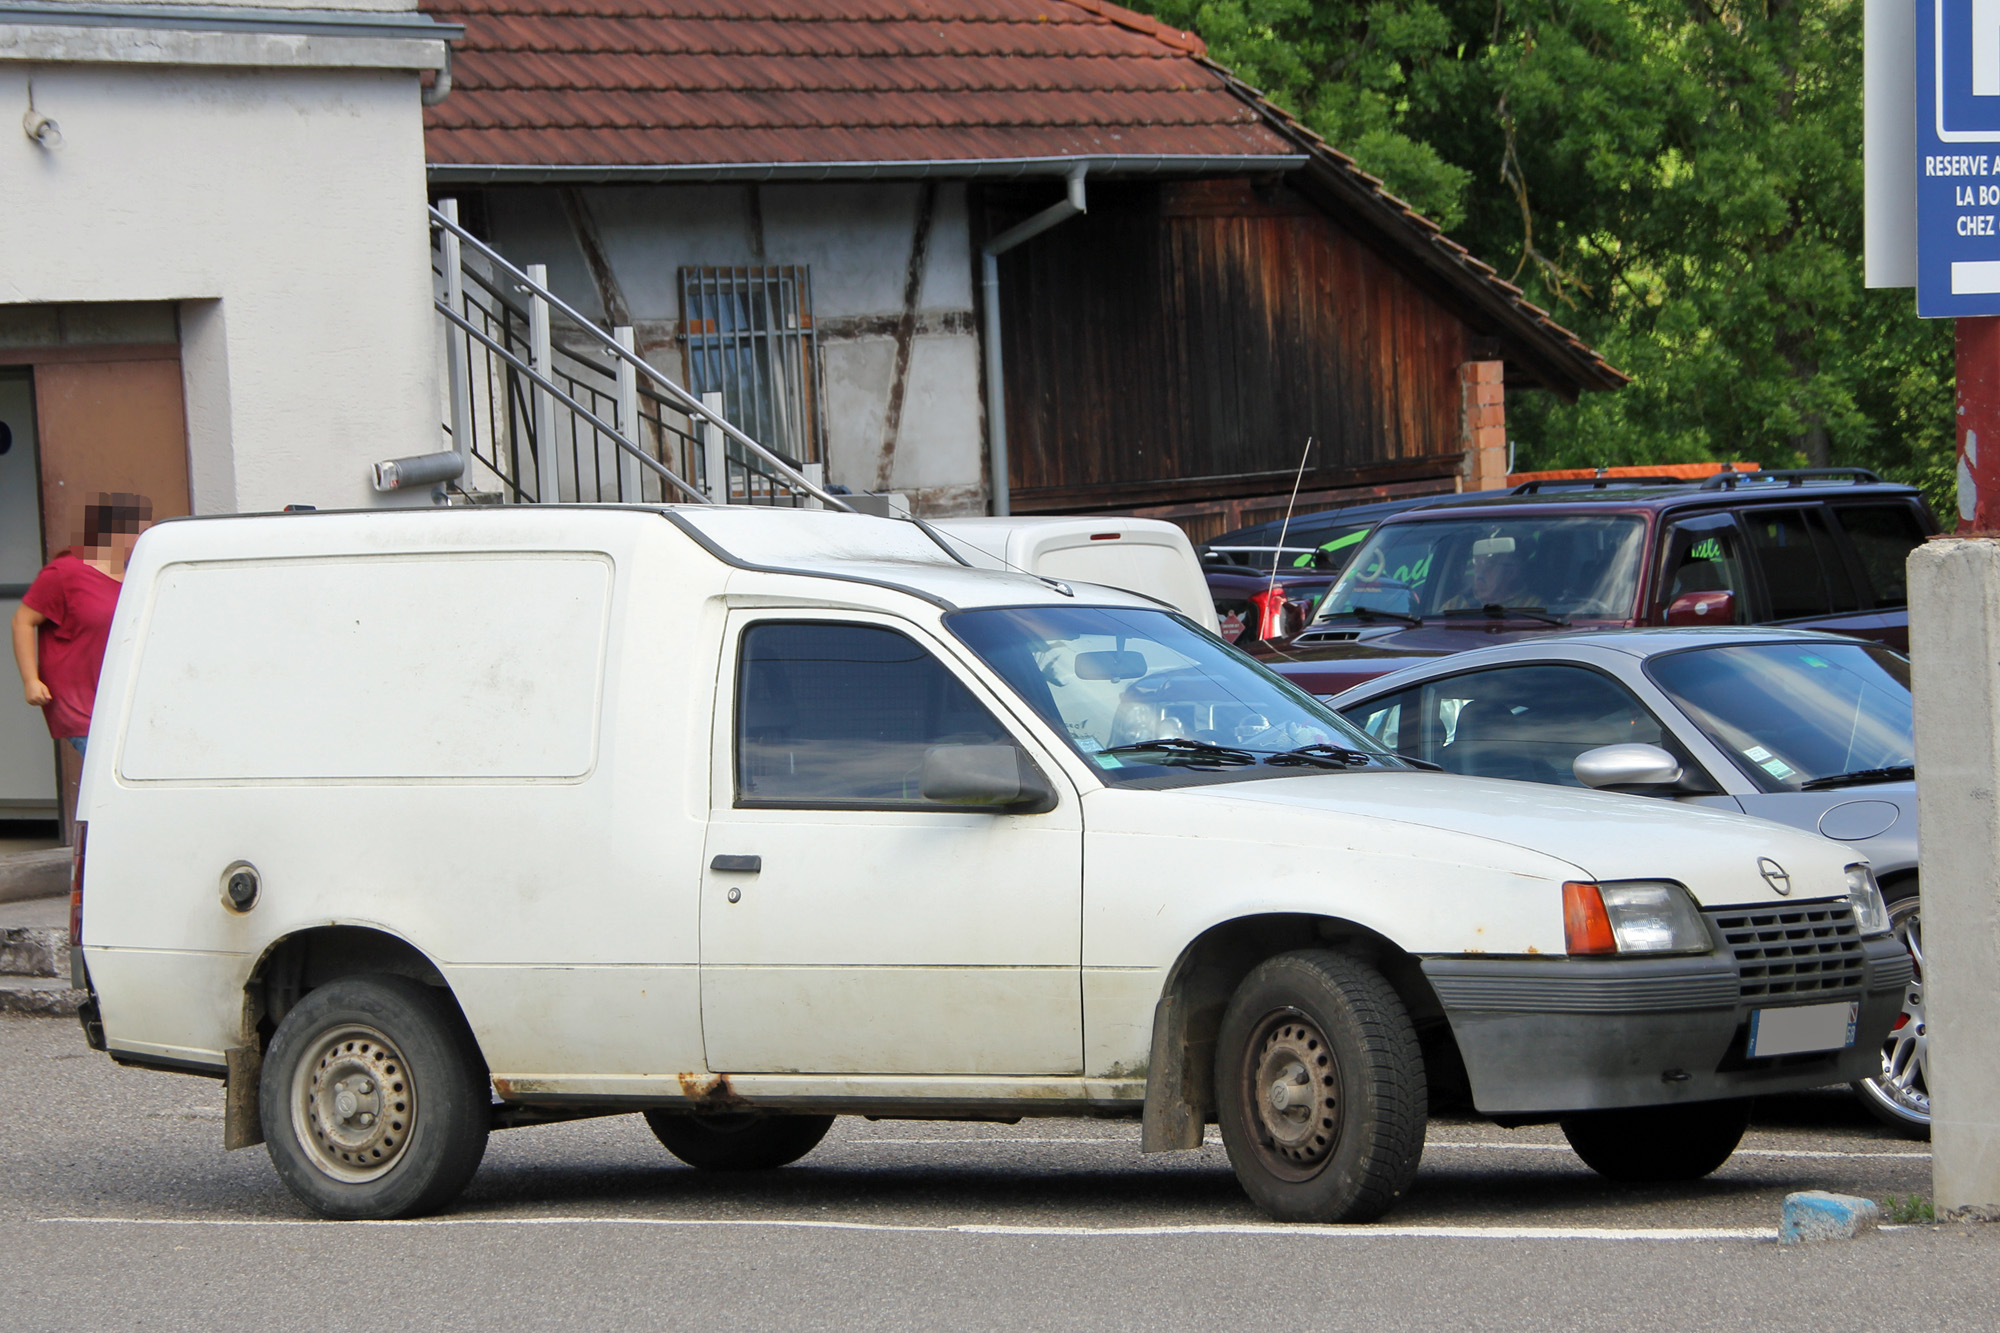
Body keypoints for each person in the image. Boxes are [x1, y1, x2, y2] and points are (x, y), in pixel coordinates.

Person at [10, 493, 153, 757]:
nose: (143, 539)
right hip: (83, 708)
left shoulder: (137, 575)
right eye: (138, 531)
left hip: (125, 703)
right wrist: (31, 680)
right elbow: (22, 620)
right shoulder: (66, 572)